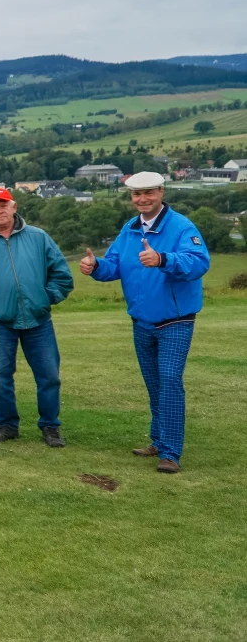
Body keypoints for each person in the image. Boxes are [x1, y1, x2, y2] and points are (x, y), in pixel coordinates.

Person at [80, 172, 210, 474]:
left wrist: (163, 259)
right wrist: (96, 266)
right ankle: (158, 440)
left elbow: (199, 262)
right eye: (137, 195)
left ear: (161, 192)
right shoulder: (130, 229)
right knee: (155, 385)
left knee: (170, 382)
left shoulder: (181, 227)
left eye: (149, 193)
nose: (142, 199)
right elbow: (115, 265)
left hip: (175, 321)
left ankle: (170, 452)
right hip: (142, 322)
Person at [0, 186, 74, 447]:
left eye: (4, 204)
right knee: (1, 376)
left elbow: (62, 275)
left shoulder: (38, 237)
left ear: (14, 207)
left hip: (39, 321)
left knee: (49, 375)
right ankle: (8, 425)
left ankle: (50, 426)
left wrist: (45, 299)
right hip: (0, 323)